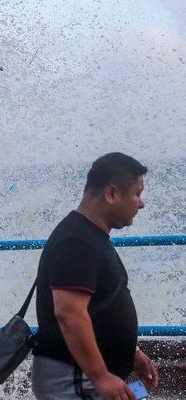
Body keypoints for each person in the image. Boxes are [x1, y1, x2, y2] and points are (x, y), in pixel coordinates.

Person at [32, 152, 158, 400]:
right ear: (111, 194)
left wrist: (130, 352)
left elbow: (99, 305)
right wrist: (100, 376)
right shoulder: (76, 242)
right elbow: (69, 312)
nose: (141, 204)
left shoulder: (90, 237)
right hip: (75, 379)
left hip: (85, 378)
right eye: (137, 193)